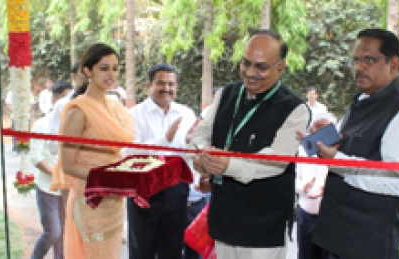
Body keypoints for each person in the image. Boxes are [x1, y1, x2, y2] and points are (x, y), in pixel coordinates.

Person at [189, 29, 310, 259]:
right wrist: (203, 156)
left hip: (262, 228)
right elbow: (201, 134)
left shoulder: (295, 109)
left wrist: (226, 165)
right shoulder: (226, 93)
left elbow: (274, 161)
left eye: (261, 67)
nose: (250, 72)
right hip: (222, 218)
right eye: (246, 63)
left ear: (281, 67)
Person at [308, 28, 399, 259]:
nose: (359, 67)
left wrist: (336, 160)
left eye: (369, 59)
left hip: (370, 244)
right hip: (338, 235)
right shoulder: (362, 99)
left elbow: (398, 182)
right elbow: (354, 148)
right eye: (356, 60)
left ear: (394, 63)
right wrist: (328, 139)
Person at [49, 43, 136, 259]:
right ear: (87, 71)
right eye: (104, 68)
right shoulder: (78, 111)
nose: (111, 74)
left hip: (114, 200)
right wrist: (107, 176)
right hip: (90, 200)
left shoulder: (115, 105)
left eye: (115, 68)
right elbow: (68, 164)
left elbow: (117, 152)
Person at [125, 64, 198, 259]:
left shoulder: (186, 114)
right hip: (144, 190)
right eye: (161, 83)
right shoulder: (134, 114)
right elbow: (129, 153)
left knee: (173, 249)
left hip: (176, 190)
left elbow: (190, 155)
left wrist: (194, 144)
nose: (166, 88)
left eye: (171, 84)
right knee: (142, 249)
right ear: (149, 85)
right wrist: (164, 140)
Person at [29, 80, 72, 259]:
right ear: (54, 100)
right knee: (53, 232)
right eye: (64, 98)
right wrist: (58, 175)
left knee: (64, 235)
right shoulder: (41, 125)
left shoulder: (74, 126)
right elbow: (36, 157)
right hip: (48, 189)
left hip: (67, 191)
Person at [295, 112, 336, 259]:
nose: (319, 132)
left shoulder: (339, 154)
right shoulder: (303, 149)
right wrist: (302, 187)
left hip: (329, 218)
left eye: (324, 128)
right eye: (316, 127)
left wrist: (328, 190)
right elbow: (296, 177)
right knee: (305, 254)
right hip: (306, 213)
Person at [5, 89, 36, 153]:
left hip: (26, 116)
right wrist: (15, 112)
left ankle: (25, 147)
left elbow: (31, 103)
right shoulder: (11, 92)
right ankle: (15, 148)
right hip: (15, 116)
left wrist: (25, 112)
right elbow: (8, 104)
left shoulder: (28, 92)